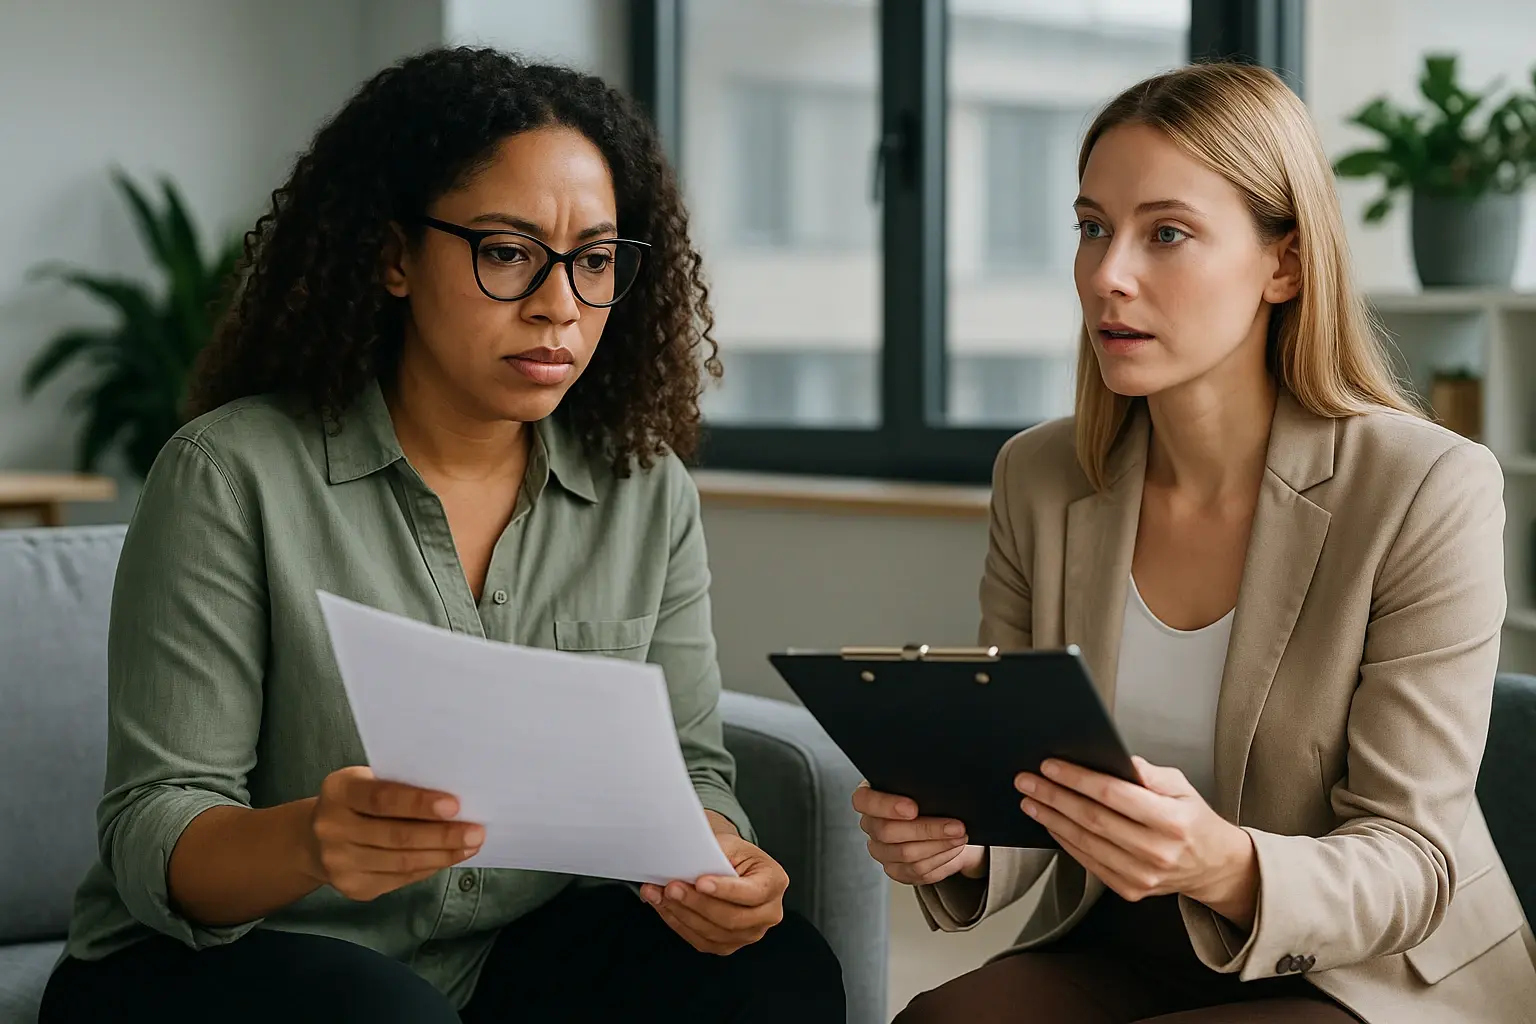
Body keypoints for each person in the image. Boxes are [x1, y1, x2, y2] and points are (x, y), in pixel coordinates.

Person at [39, 47, 844, 1024]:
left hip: (496, 956)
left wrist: (717, 857)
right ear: (392, 257)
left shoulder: (645, 489)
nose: (559, 304)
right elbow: (155, 826)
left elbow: (689, 764)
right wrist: (313, 840)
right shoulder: (229, 474)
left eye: (594, 261)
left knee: (776, 971)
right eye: (506, 252)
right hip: (225, 964)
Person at [855, 62, 1536, 1024]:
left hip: (1364, 973)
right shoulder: (1039, 478)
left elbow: (1411, 860)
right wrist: (964, 840)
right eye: (1093, 228)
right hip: (1131, 939)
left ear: (1284, 264)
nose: (1108, 274)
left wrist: (1223, 861)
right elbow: (1029, 782)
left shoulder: (1427, 488)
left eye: (1165, 233)